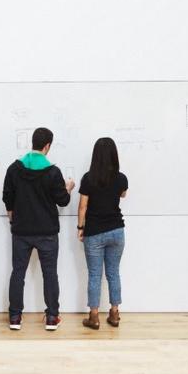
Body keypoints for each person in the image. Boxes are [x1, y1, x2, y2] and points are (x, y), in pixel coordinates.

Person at [2, 127, 75, 331]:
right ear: (47, 146)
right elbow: (62, 200)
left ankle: (15, 317)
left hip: (21, 231)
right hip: (47, 232)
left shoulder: (14, 168)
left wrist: (12, 217)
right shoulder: (53, 172)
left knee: (18, 272)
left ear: (32, 143)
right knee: (50, 273)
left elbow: (7, 196)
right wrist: (68, 188)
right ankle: (52, 317)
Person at [77, 137, 128, 330]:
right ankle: (114, 314)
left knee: (95, 275)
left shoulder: (88, 178)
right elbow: (122, 194)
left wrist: (80, 227)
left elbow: (83, 206)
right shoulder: (121, 178)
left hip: (94, 232)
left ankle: (94, 316)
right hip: (116, 230)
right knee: (114, 273)